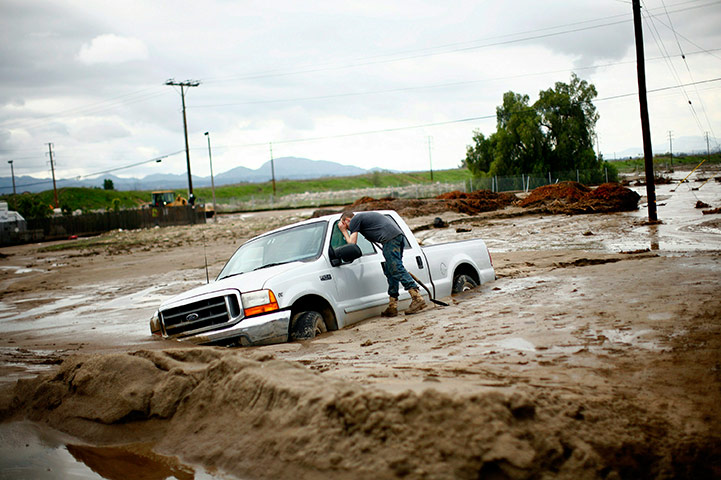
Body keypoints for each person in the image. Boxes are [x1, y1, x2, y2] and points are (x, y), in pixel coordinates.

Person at [338, 211, 426, 316]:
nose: (349, 229)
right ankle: (392, 306)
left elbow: (352, 244)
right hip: (396, 238)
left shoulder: (355, 219)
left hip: (390, 239)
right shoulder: (363, 219)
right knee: (391, 271)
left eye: (347, 226)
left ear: (346, 220)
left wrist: (343, 231)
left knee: (395, 268)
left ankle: (417, 298)